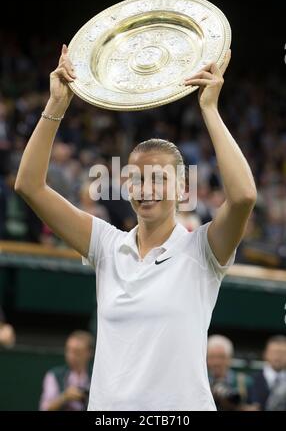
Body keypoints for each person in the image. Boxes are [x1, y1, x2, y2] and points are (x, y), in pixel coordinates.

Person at [15, 45, 257, 410]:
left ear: (182, 188)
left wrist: (209, 108)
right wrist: (56, 105)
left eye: (159, 179)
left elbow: (243, 197)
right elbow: (29, 186)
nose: (146, 190)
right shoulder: (106, 246)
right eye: (137, 179)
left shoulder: (203, 250)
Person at [39, 330, 94, 411]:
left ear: (89, 353)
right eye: (69, 350)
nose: (71, 356)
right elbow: (45, 408)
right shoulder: (54, 375)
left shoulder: (96, 376)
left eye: (77, 352)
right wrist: (65, 397)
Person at [207, 334, 254, 410]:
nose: (216, 362)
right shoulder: (201, 382)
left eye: (221, 357)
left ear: (230, 358)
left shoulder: (244, 382)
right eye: (212, 357)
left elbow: (256, 406)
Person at [250, 335, 286, 410]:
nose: (278, 356)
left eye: (282, 352)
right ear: (265, 354)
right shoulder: (250, 380)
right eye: (275, 352)